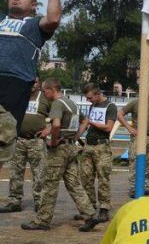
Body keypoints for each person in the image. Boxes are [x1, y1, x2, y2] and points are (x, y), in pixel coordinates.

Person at [21, 78, 98, 231]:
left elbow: (56, 124)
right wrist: (75, 137)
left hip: (59, 150)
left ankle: (42, 220)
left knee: (49, 184)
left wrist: (53, 141)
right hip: (71, 147)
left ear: (52, 89)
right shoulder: (71, 103)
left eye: (45, 91)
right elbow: (85, 121)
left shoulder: (57, 103)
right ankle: (89, 215)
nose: (44, 93)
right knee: (74, 184)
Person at [0, 0, 62, 157]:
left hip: (16, 82)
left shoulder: (34, 25)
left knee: (5, 131)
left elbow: (53, 19)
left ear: (34, 6)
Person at [0, 79, 46, 213]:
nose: (33, 84)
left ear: (39, 83)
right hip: (18, 139)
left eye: (35, 82)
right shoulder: (19, 96)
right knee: (15, 172)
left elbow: (57, 117)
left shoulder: (44, 98)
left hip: (36, 141)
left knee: (38, 172)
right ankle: (14, 201)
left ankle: (40, 202)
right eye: (30, 82)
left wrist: (48, 131)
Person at [77, 83, 119, 230]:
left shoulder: (110, 107)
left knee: (103, 178)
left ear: (97, 93)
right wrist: (76, 137)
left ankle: (104, 209)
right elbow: (86, 125)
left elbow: (108, 127)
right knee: (86, 177)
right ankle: (89, 209)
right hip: (88, 145)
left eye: (90, 97)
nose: (89, 100)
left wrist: (91, 122)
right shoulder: (92, 106)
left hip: (102, 147)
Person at [118, 84, 149, 196]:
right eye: (145, 89)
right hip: (138, 137)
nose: (147, 91)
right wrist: (129, 128)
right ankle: (134, 187)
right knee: (135, 161)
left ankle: (145, 186)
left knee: (148, 162)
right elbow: (120, 114)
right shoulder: (135, 103)